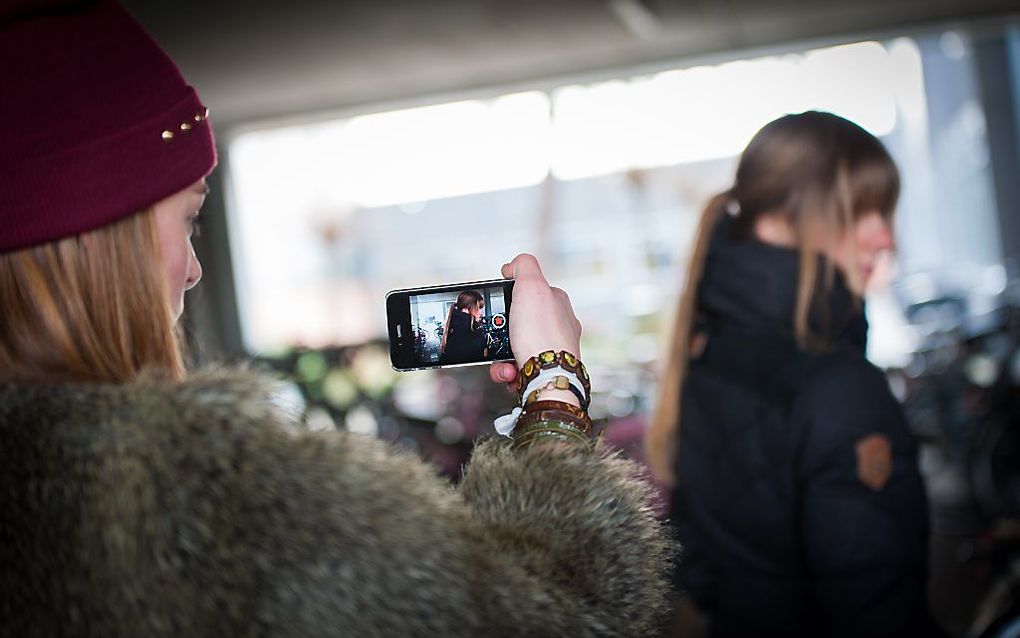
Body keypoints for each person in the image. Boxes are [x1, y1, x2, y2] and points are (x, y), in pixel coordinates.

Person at [0, 2, 671, 636]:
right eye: (189, 219)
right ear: (98, 239)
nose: (196, 268)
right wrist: (553, 388)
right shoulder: (213, 496)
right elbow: (560, 611)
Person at [646, 112, 935, 637]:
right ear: (780, 220)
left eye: (885, 212)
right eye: (859, 210)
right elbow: (878, 613)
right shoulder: (840, 388)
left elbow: (700, 568)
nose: (883, 237)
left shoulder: (705, 350)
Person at [440, 290, 489, 364]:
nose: (480, 313)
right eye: (478, 308)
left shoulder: (454, 326)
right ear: (467, 308)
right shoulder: (468, 331)